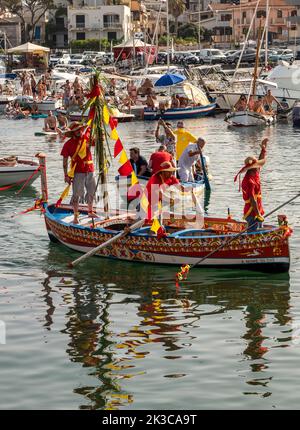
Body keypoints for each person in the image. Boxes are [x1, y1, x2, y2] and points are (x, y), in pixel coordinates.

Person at [61, 122, 97, 224]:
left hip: (90, 170)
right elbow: (64, 162)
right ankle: (76, 216)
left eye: (80, 129)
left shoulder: (87, 139)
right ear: (73, 132)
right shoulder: (67, 144)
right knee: (76, 195)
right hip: (77, 172)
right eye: (77, 130)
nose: (79, 131)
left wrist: (100, 133)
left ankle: (90, 211)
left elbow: (98, 142)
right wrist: (66, 175)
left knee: (91, 191)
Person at [234, 138, 268, 231]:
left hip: (258, 209)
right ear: (252, 168)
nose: (258, 167)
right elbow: (252, 199)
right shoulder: (249, 181)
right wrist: (258, 214)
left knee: (259, 232)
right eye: (256, 166)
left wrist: (263, 150)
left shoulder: (255, 174)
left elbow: (260, 161)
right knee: (253, 234)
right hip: (252, 212)